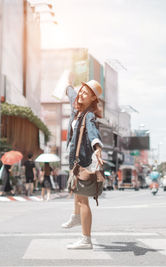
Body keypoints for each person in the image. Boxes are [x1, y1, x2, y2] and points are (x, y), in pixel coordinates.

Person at [61, 76, 104, 250]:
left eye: (86, 93)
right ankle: (76, 217)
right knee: (78, 196)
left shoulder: (89, 116)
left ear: (93, 98)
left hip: (85, 161)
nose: (81, 94)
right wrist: (69, 84)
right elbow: (71, 92)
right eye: (82, 90)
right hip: (75, 161)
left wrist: (97, 147)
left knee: (83, 201)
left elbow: (93, 132)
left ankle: (86, 239)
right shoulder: (76, 106)